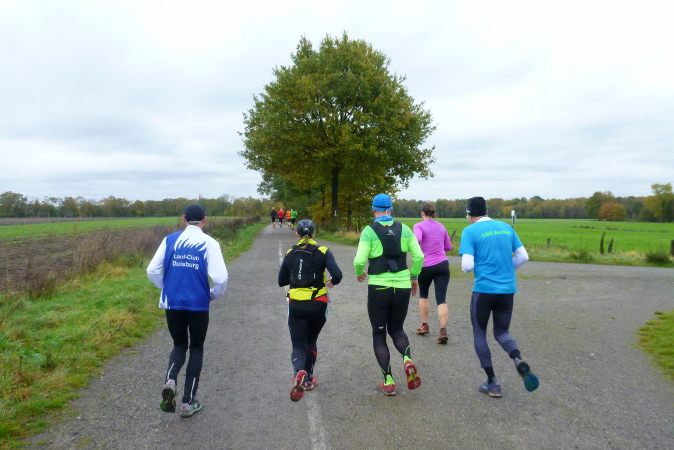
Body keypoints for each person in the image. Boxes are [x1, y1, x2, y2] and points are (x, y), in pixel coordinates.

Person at [147, 203, 229, 417]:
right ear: (204, 219)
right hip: (198, 303)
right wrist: (213, 294)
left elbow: (152, 270)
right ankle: (187, 402)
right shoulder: (210, 243)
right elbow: (221, 278)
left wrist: (166, 288)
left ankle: (170, 380)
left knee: (179, 344)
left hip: (172, 302)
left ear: (184, 218)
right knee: (196, 348)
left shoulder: (169, 240)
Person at [459, 196, 539, 398]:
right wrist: (505, 270)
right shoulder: (505, 227)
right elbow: (523, 256)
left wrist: (482, 269)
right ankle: (517, 359)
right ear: (486, 211)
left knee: (479, 334)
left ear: (469, 214)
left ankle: (492, 382)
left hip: (484, 290)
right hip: (507, 290)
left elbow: (467, 266)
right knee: (502, 332)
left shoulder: (470, 231)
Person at [354, 194, 424, 396]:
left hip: (379, 287)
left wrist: (359, 273)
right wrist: (413, 276)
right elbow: (419, 256)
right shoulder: (405, 229)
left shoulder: (369, 231)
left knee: (379, 334)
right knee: (397, 329)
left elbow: (359, 260)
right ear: (391, 209)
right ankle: (407, 359)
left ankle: (389, 381)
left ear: (373, 210)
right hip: (402, 286)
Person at [278, 219, 343, 402]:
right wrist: (332, 281)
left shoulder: (290, 253)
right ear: (314, 233)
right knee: (311, 340)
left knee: (298, 344)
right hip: (318, 303)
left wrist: (296, 274)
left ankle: (299, 372)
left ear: (297, 234)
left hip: (296, 304)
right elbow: (337, 275)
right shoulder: (323, 251)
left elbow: (281, 281)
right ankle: (308, 380)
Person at [413, 202, 452, 344]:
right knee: (441, 298)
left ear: (422, 213)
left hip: (426, 265)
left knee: (423, 294)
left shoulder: (418, 226)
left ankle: (424, 325)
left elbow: (417, 240)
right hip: (443, 264)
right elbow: (448, 246)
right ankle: (443, 330)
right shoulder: (441, 226)